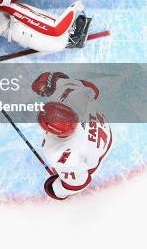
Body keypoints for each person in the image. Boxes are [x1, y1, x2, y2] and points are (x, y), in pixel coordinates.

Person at [31, 72, 112, 200]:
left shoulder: (63, 154)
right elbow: (92, 89)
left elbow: (78, 183)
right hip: (104, 131)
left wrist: (57, 190)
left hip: (94, 156)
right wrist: (54, 81)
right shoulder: (77, 95)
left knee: (78, 169)